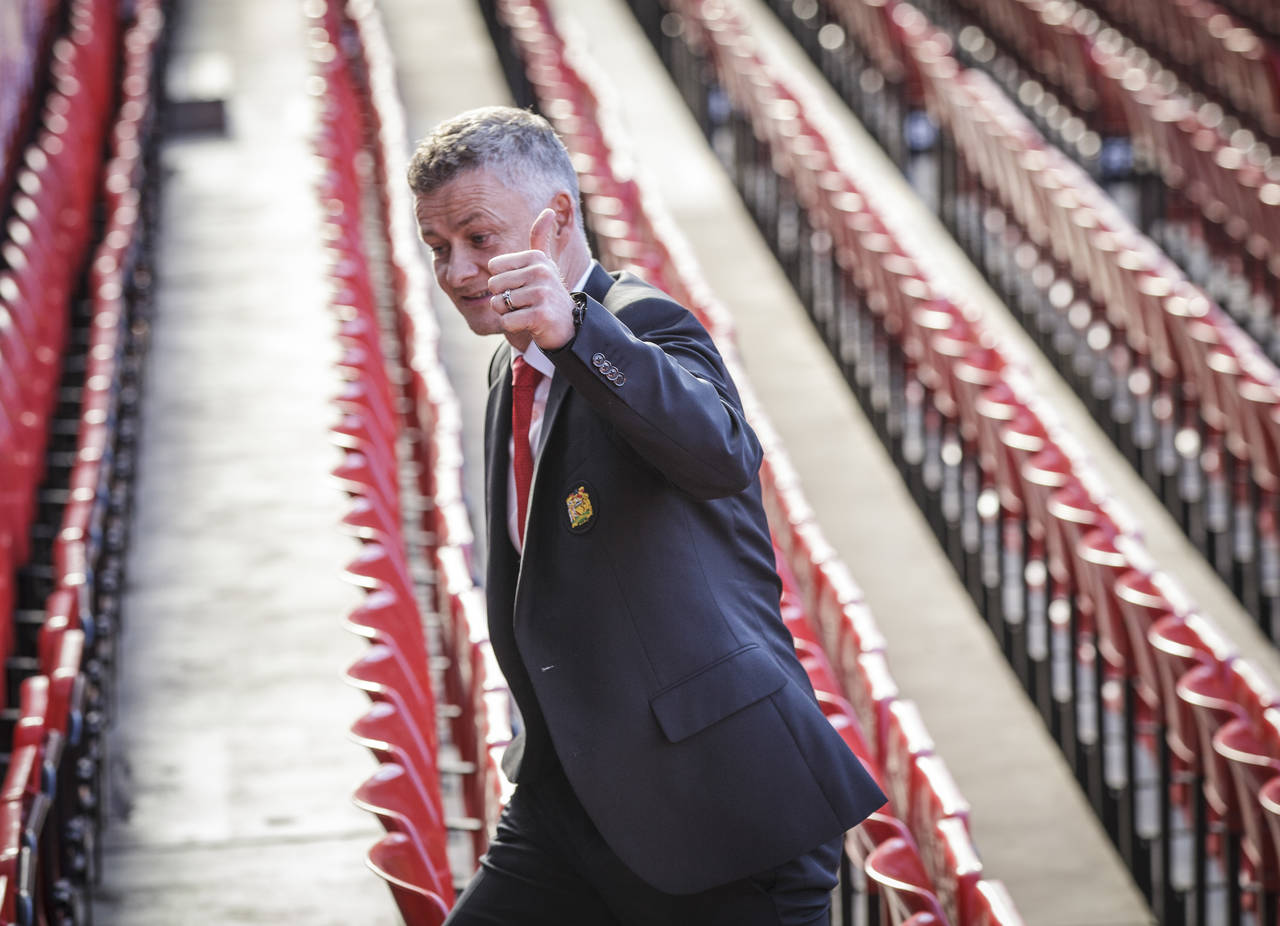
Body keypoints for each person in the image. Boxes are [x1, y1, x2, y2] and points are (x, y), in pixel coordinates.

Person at [408, 105, 885, 926]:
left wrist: (579, 334)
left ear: (556, 222)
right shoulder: (506, 366)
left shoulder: (639, 325)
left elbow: (720, 453)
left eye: (478, 239)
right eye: (438, 249)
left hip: (717, 809)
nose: (454, 272)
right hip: (572, 800)